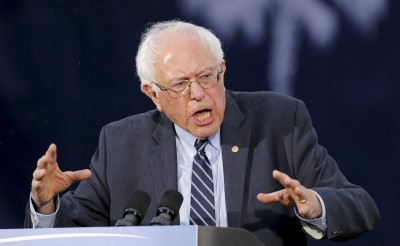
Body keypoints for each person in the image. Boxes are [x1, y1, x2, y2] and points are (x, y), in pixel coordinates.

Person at [26, 20, 379, 245]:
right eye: (180, 84)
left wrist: (313, 205)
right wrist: (44, 205)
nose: (198, 94)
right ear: (153, 95)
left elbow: (361, 208)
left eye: (207, 77)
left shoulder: (279, 121)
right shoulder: (121, 143)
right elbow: (72, 233)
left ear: (223, 71)